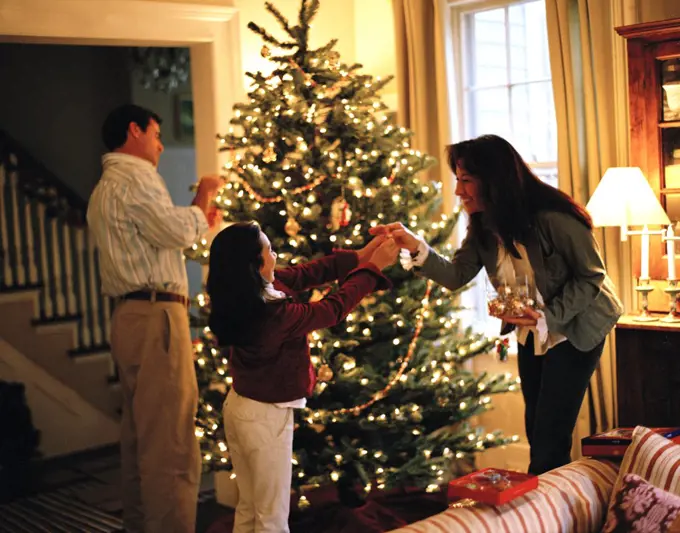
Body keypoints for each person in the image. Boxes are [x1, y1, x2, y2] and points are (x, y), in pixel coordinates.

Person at [371, 134, 623, 475]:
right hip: (531, 330)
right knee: (536, 425)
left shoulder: (554, 218)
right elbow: (456, 274)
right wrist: (415, 245)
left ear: (494, 181)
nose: (459, 191)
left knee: (550, 434)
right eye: (457, 181)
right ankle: (551, 505)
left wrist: (549, 316)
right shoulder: (484, 226)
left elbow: (591, 276)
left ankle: (547, 517)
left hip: (577, 327)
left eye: (466, 181)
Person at [207, 222, 399, 533]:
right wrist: (372, 269)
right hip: (265, 418)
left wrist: (361, 256)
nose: (276, 254)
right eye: (269, 250)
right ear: (254, 265)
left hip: (241, 408)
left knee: (251, 506)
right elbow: (332, 309)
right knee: (272, 516)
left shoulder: (251, 295)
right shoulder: (273, 315)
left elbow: (308, 273)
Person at [87, 104, 222, 533]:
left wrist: (195, 220)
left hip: (129, 316)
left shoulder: (105, 187)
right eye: (157, 135)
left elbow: (161, 233)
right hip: (156, 315)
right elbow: (175, 232)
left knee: (140, 437)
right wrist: (203, 197)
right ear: (134, 131)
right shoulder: (136, 177)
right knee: (172, 442)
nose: (161, 146)